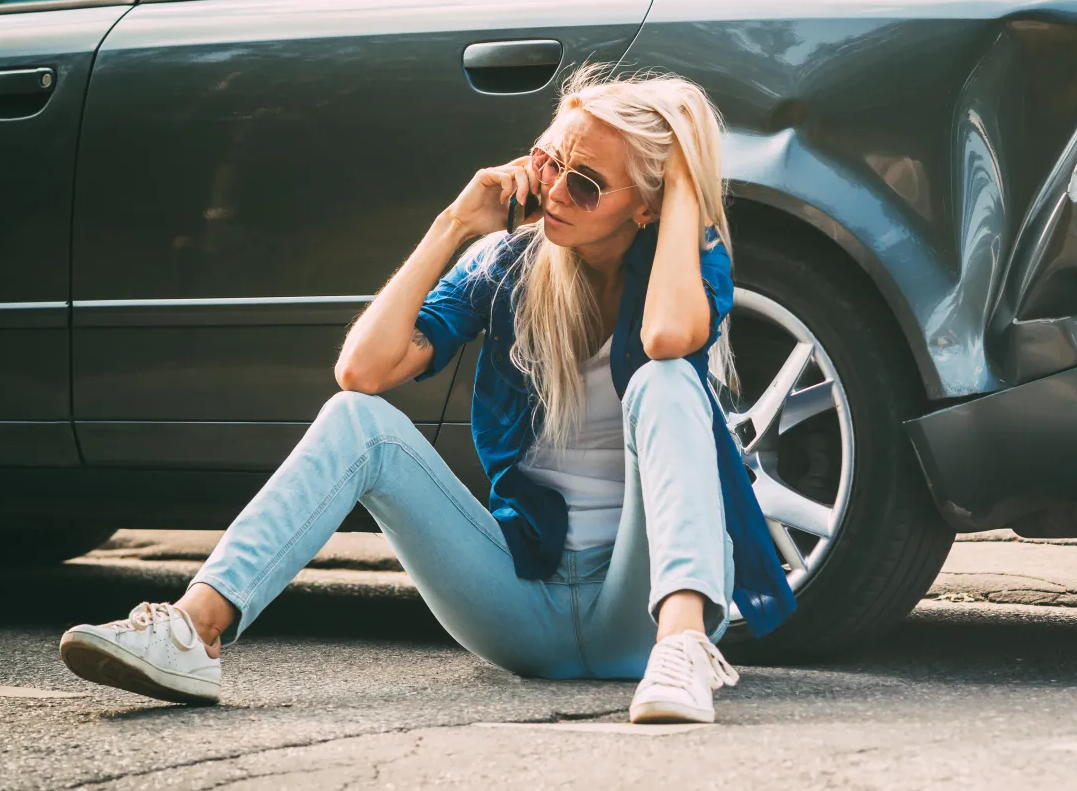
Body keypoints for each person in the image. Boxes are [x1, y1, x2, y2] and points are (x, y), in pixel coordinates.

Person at [57, 65, 795, 724]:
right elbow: (362, 372)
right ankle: (194, 630)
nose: (555, 192)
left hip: (640, 612)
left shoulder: (691, 263)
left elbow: (668, 339)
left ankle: (683, 650)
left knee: (668, 382)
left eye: (587, 182)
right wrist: (452, 225)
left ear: (648, 207)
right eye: (549, 163)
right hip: (522, 606)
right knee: (358, 421)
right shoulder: (507, 263)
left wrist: (685, 197)